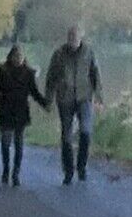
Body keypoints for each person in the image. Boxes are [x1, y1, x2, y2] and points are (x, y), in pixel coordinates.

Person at [41, 25, 100, 181]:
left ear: (80, 38)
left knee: (86, 132)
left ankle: (81, 166)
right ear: (67, 38)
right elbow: (50, 78)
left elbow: (95, 73)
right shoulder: (59, 54)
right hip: (65, 98)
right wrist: (48, 99)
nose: (73, 39)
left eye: (75, 37)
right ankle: (68, 171)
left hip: (84, 97)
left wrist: (99, 96)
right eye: (70, 37)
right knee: (66, 136)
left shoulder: (88, 52)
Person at [0, 40, 42, 185]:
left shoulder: (28, 74)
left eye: (20, 56)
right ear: (11, 57)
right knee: (5, 143)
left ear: (24, 58)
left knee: (19, 144)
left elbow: (34, 92)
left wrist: (44, 103)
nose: (18, 59)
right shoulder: (3, 71)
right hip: (6, 111)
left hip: (21, 112)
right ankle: (6, 170)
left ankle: (16, 173)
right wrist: (0, 102)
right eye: (15, 56)